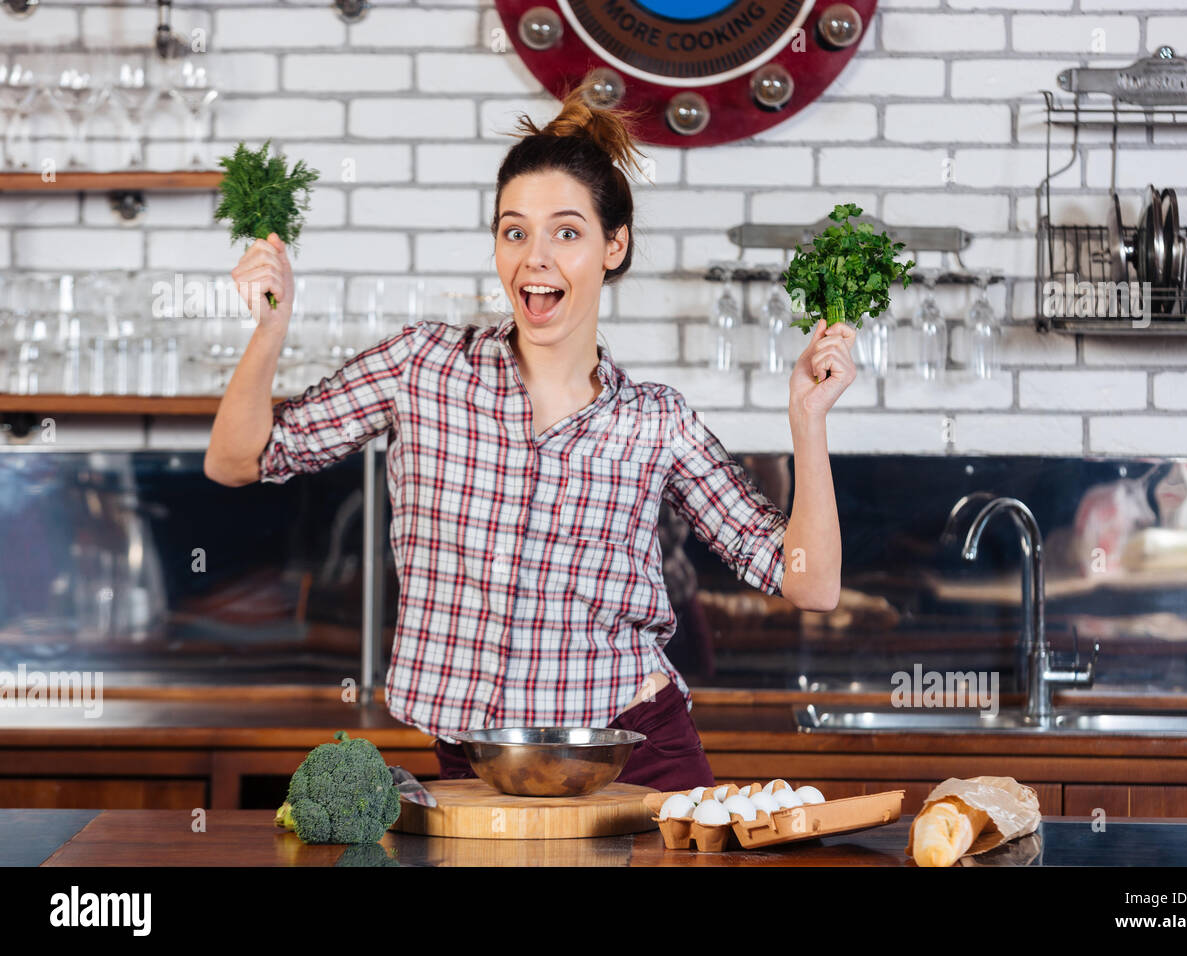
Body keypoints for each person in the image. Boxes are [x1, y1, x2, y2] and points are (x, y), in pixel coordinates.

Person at [203, 78, 858, 793]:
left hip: (631, 755)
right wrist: (270, 329)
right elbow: (237, 462)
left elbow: (811, 583)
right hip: (482, 763)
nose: (535, 257)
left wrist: (808, 421)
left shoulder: (654, 420)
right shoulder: (421, 368)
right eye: (515, 231)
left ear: (614, 246)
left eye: (567, 232)